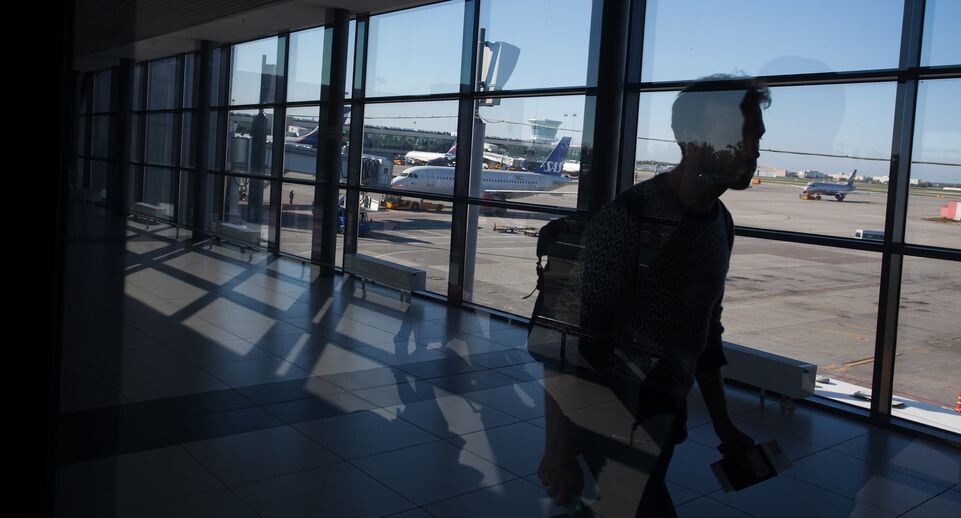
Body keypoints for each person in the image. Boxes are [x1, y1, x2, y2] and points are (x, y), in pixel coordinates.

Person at [537, 75, 770, 517]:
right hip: (604, 417)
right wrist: (559, 448)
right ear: (693, 141)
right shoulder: (629, 220)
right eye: (741, 135)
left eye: (756, 137)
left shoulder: (720, 224)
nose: (753, 150)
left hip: (664, 415)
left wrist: (723, 424)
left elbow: (706, 332)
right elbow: (565, 338)